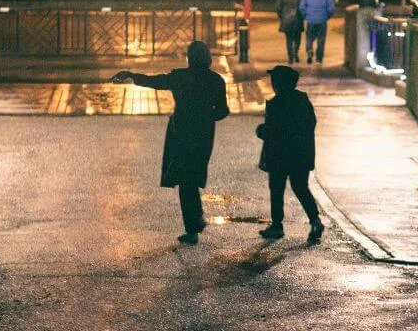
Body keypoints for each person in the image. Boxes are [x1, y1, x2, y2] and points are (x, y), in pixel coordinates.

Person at [113, 41, 229, 245]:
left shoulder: (180, 77)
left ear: (190, 58)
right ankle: (196, 218)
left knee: (185, 179)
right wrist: (205, 116)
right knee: (193, 175)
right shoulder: (216, 80)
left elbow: (155, 82)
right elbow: (222, 111)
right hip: (203, 133)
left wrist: (131, 75)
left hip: (181, 132)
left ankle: (193, 226)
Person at [255, 65, 323, 243]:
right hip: (301, 154)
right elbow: (310, 124)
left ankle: (277, 226)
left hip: (279, 156)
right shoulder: (302, 100)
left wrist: (261, 130)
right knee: (301, 187)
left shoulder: (276, 104)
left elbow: (272, 131)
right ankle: (315, 220)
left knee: (276, 189)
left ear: (278, 83)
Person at [298, 0, 336, 65]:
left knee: (309, 37)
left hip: (310, 20)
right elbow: (331, 8)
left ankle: (309, 50)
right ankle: (319, 59)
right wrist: (327, 17)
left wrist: (306, 16)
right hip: (322, 21)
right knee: (321, 39)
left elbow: (302, 7)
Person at [275, 0, 305, 64]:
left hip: (286, 19)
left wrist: (281, 16)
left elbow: (278, 7)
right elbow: (304, 7)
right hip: (298, 19)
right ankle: (295, 53)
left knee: (289, 39)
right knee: (297, 38)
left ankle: (290, 57)